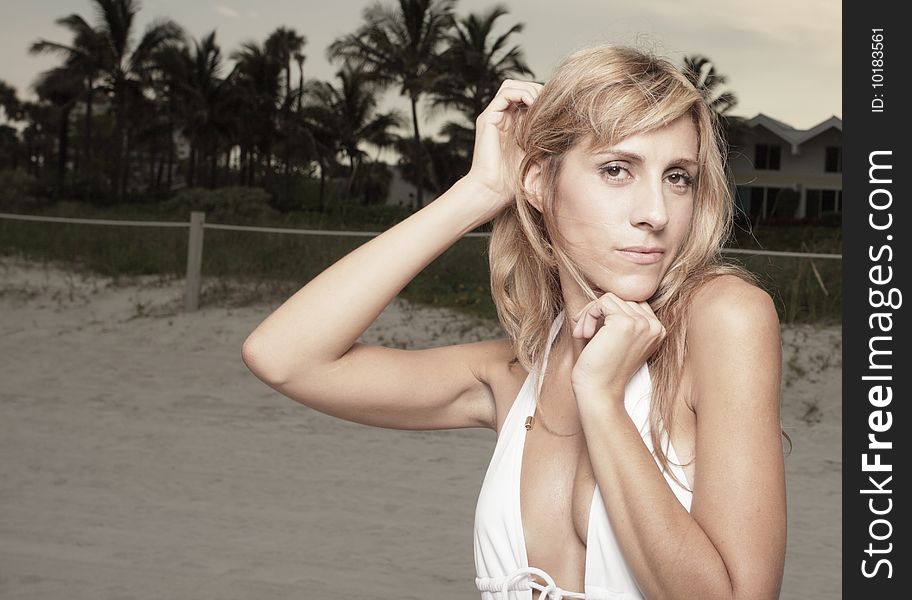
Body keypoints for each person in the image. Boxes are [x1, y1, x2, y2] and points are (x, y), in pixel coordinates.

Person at [242, 42, 786, 600]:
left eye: (678, 177)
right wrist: (479, 192)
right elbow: (284, 357)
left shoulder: (724, 319)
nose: (656, 213)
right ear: (539, 183)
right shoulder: (516, 373)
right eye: (617, 169)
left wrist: (601, 399)